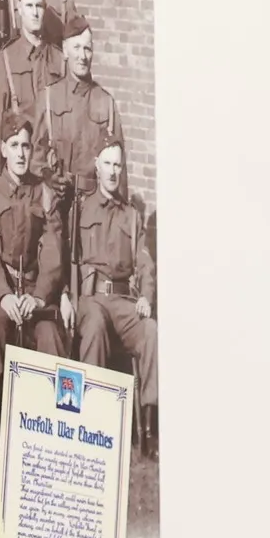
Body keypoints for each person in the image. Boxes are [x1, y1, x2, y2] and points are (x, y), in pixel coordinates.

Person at [68, 140, 158, 456]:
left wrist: (146, 296)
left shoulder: (131, 216)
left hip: (122, 302)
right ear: (97, 165)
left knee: (151, 331)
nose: (112, 171)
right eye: (107, 164)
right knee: (93, 324)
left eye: (118, 165)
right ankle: (92, 425)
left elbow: (145, 263)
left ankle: (149, 429)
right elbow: (68, 259)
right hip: (91, 299)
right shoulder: (80, 209)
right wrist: (67, 296)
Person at [0, 114, 66, 385]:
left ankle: (53, 407)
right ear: (3, 150)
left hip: (34, 291)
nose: (20, 153)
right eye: (14, 145)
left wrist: (39, 297)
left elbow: (53, 251)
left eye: (25, 146)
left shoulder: (44, 193)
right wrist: (3, 295)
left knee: (50, 336)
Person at [36, 15, 126, 202]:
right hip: (57, 203)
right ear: (65, 51)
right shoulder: (49, 97)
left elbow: (120, 171)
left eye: (87, 49)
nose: (82, 56)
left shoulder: (105, 103)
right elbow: (35, 157)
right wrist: (48, 176)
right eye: (76, 47)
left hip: (94, 206)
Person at [0, 0, 68, 142]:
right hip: (21, 147)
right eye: (29, 6)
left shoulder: (59, 58)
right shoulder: (8, 57)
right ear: (19, 9)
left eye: (39, 6)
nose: (34, 13)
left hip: (50, 148)